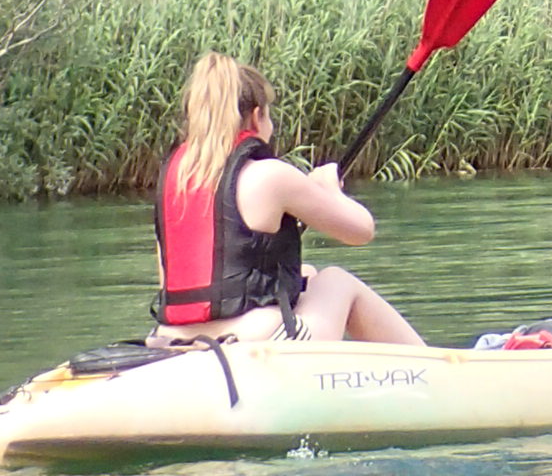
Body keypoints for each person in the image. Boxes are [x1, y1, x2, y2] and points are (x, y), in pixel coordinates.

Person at [152, 53, 426, 345]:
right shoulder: (270, 175)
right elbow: (361, 230)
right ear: (257, 116)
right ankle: (432, 368)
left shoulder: (174, 181)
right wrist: (328, 189)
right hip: (256, 342)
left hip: (171, 340)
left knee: (306, 276)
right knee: (336, 280)